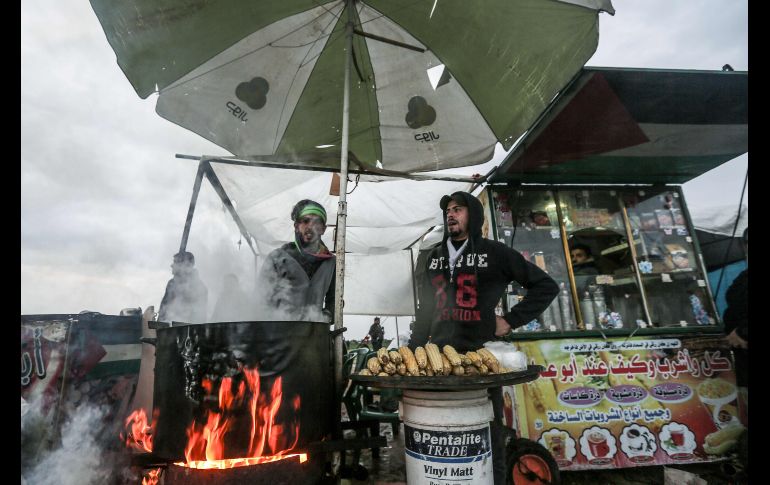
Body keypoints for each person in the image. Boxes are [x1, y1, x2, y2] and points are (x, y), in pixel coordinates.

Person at [410, 191, 559, 485]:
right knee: (445, 435)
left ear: (474, 216)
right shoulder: (433, 257)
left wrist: (510, 320)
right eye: (448, 211)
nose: (451, 215)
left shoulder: (496, 253)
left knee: (487, 434)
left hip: (481, 360)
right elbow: (425, 310)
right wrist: (413, 351)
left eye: (458, 210)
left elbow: (545, 285)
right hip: (440, 364)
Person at [256, 199, 336, 322]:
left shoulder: (331, 263)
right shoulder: (277, 258)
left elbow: (333, 299)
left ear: (323, 229)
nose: (310, 227)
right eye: (305, 221)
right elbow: (261, 299)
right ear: (296, 226)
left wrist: (327, 316)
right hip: (278, 334)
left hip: (313, 337)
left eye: (317, 222)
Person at [158, 251, 208, 323]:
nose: (171, 265)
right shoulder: (171, 284)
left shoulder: (199, 288)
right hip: (167, 330)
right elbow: (163, 312)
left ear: (186, 265)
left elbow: (198, 318)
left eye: (175, 262)